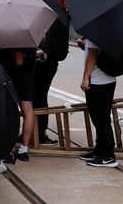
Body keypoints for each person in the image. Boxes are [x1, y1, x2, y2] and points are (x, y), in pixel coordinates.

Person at [0, 48, 37, 163]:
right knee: (28, 109)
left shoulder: (17, 36)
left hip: (15, 76)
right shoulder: (32, 35)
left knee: (11, 111)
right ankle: (24, 150)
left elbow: (18, 60)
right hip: (29, 73)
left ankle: (9, 150)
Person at [79, 38, 118, 167]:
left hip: (97, 82)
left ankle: (107, 156)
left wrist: (85, 78)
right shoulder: (110, 30)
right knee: (103, 119)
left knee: (100, 120)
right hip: (109, 79)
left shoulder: (94, 33)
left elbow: (92, 55)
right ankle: (100, 150)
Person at [33, 20, 70, 145]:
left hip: (44, 62)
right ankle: (37, 132)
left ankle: (40, 133)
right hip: (47, 62)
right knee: (38, 97)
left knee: (38, 97)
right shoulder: (57, 18)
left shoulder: (52, 20)